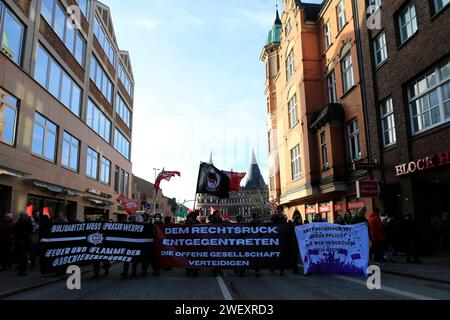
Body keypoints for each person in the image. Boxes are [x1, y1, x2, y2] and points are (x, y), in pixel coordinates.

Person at [185, 213, 199, 277]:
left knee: (195, 258)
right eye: (189, 217)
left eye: (192, 217)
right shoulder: (186, 224)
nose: (190, 219)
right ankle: (188, 270)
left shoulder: (197, 223)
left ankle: (195, 270)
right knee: (188, 258)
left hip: (195, 244)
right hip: (188, 244)